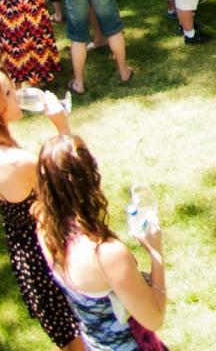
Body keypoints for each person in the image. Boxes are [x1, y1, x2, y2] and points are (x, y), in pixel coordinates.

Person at [0, 66, 83, 351]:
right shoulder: (15, 161)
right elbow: (71, 182)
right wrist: (62, 126)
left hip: (28, 257)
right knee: (81, 342)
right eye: (8, 92)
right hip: (48, 259)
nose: (17, 95)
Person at [33, 134, 167, 350]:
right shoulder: (106, 254)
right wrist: (156, 253)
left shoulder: (45, 228)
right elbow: (155, 318)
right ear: (91, 177)